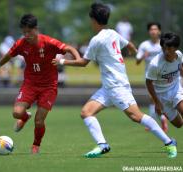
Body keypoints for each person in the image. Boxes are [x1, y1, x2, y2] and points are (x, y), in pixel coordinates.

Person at [52, 3, 177, 158]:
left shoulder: (96, 40)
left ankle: (169, 142)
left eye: (90, 19)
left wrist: (62, 62)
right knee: (86, 112)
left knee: (136, 116)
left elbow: (84, 63)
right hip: (108, 87)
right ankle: (102, 145)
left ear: (94, 21)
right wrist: (133, 49)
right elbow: (129, 44)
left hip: (117, 87)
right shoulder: (113, 33)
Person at [0, 14, 81, 154]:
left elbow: (69, 48)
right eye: (24, 32)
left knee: (39, 121)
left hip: (49, 87)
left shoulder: (48, 42)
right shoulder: (21, 43)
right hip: (30, 84)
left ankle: (35, 146)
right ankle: (25, 117)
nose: (26, 35)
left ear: (36, 29)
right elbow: (8, 55)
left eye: (29, 31)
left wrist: (78, 59)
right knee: (16, 113)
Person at [146, 32, 183, 129]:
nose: (166, 51)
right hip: (162, 97)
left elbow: (181, 68)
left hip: (176, 90)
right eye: (164, 48)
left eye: (169, 48)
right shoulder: (155, 64)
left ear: (176, 48)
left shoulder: (179, 56)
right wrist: (157, 102)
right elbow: (148, 82)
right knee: (179, 124)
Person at [136, 22, 168, 132]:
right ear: (149, 32)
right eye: (151, 29)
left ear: (159, 31)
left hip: (162, 75)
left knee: (156, 99)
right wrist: (143, 56)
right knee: (152, 99)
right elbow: (137, 61)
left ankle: (155, 121)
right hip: (149, 77)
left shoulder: (163, 44)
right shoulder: (144, 45)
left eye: (155, 29)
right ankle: (160, 119)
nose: (153, 31)